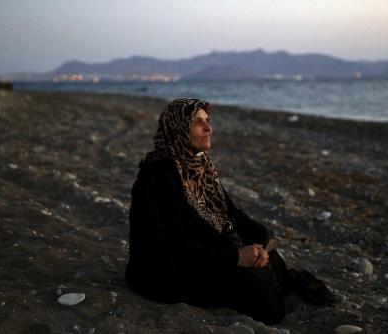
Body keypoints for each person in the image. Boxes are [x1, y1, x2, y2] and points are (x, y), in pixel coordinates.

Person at [125, 98, 336, 324]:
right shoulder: (159, 175)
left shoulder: (199, 165)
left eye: (208, 120)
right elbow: (172, 247)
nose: (209, 128)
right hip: (162, 272)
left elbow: (231, 214)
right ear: (178, 128)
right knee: (252, 281)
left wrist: (262, 239)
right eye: (198, 123)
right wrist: (235, 257)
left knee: (266, 254)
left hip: (198, 250)